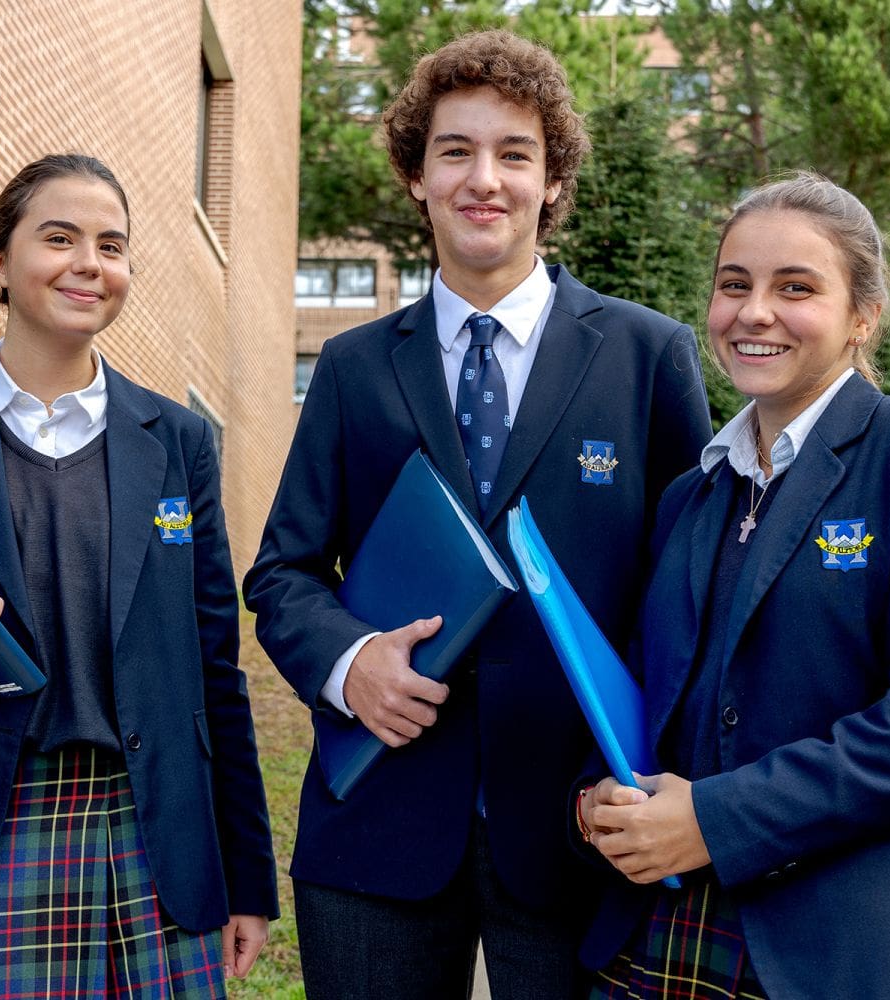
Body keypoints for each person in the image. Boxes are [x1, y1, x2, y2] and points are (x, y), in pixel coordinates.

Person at [249, 29, 712, 998]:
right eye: (454, 151)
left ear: (553, 182)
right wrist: (347, 663)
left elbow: (688, 593)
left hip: (582, 828)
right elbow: (284, 571)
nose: (483, 178)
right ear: (416, 177)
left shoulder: (646, 356)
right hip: (377, 824)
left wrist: (648, 771)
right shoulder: (352, 367)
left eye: (514, 154)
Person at [0, 153, 279, 997]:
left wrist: (248, 881)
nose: (91, 263)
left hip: (153, 837)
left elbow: (212, 675)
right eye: (60, 238)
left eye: (112, 246)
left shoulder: (180, 443)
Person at [577, 172, 890, 1000]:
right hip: (654, 941)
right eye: (735, 285)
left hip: (825, 952)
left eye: (795, 287)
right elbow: (640, 686)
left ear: (862, 316)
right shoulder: (690, 496)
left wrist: (715, 821)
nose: (754, 311)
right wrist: (595, 798)